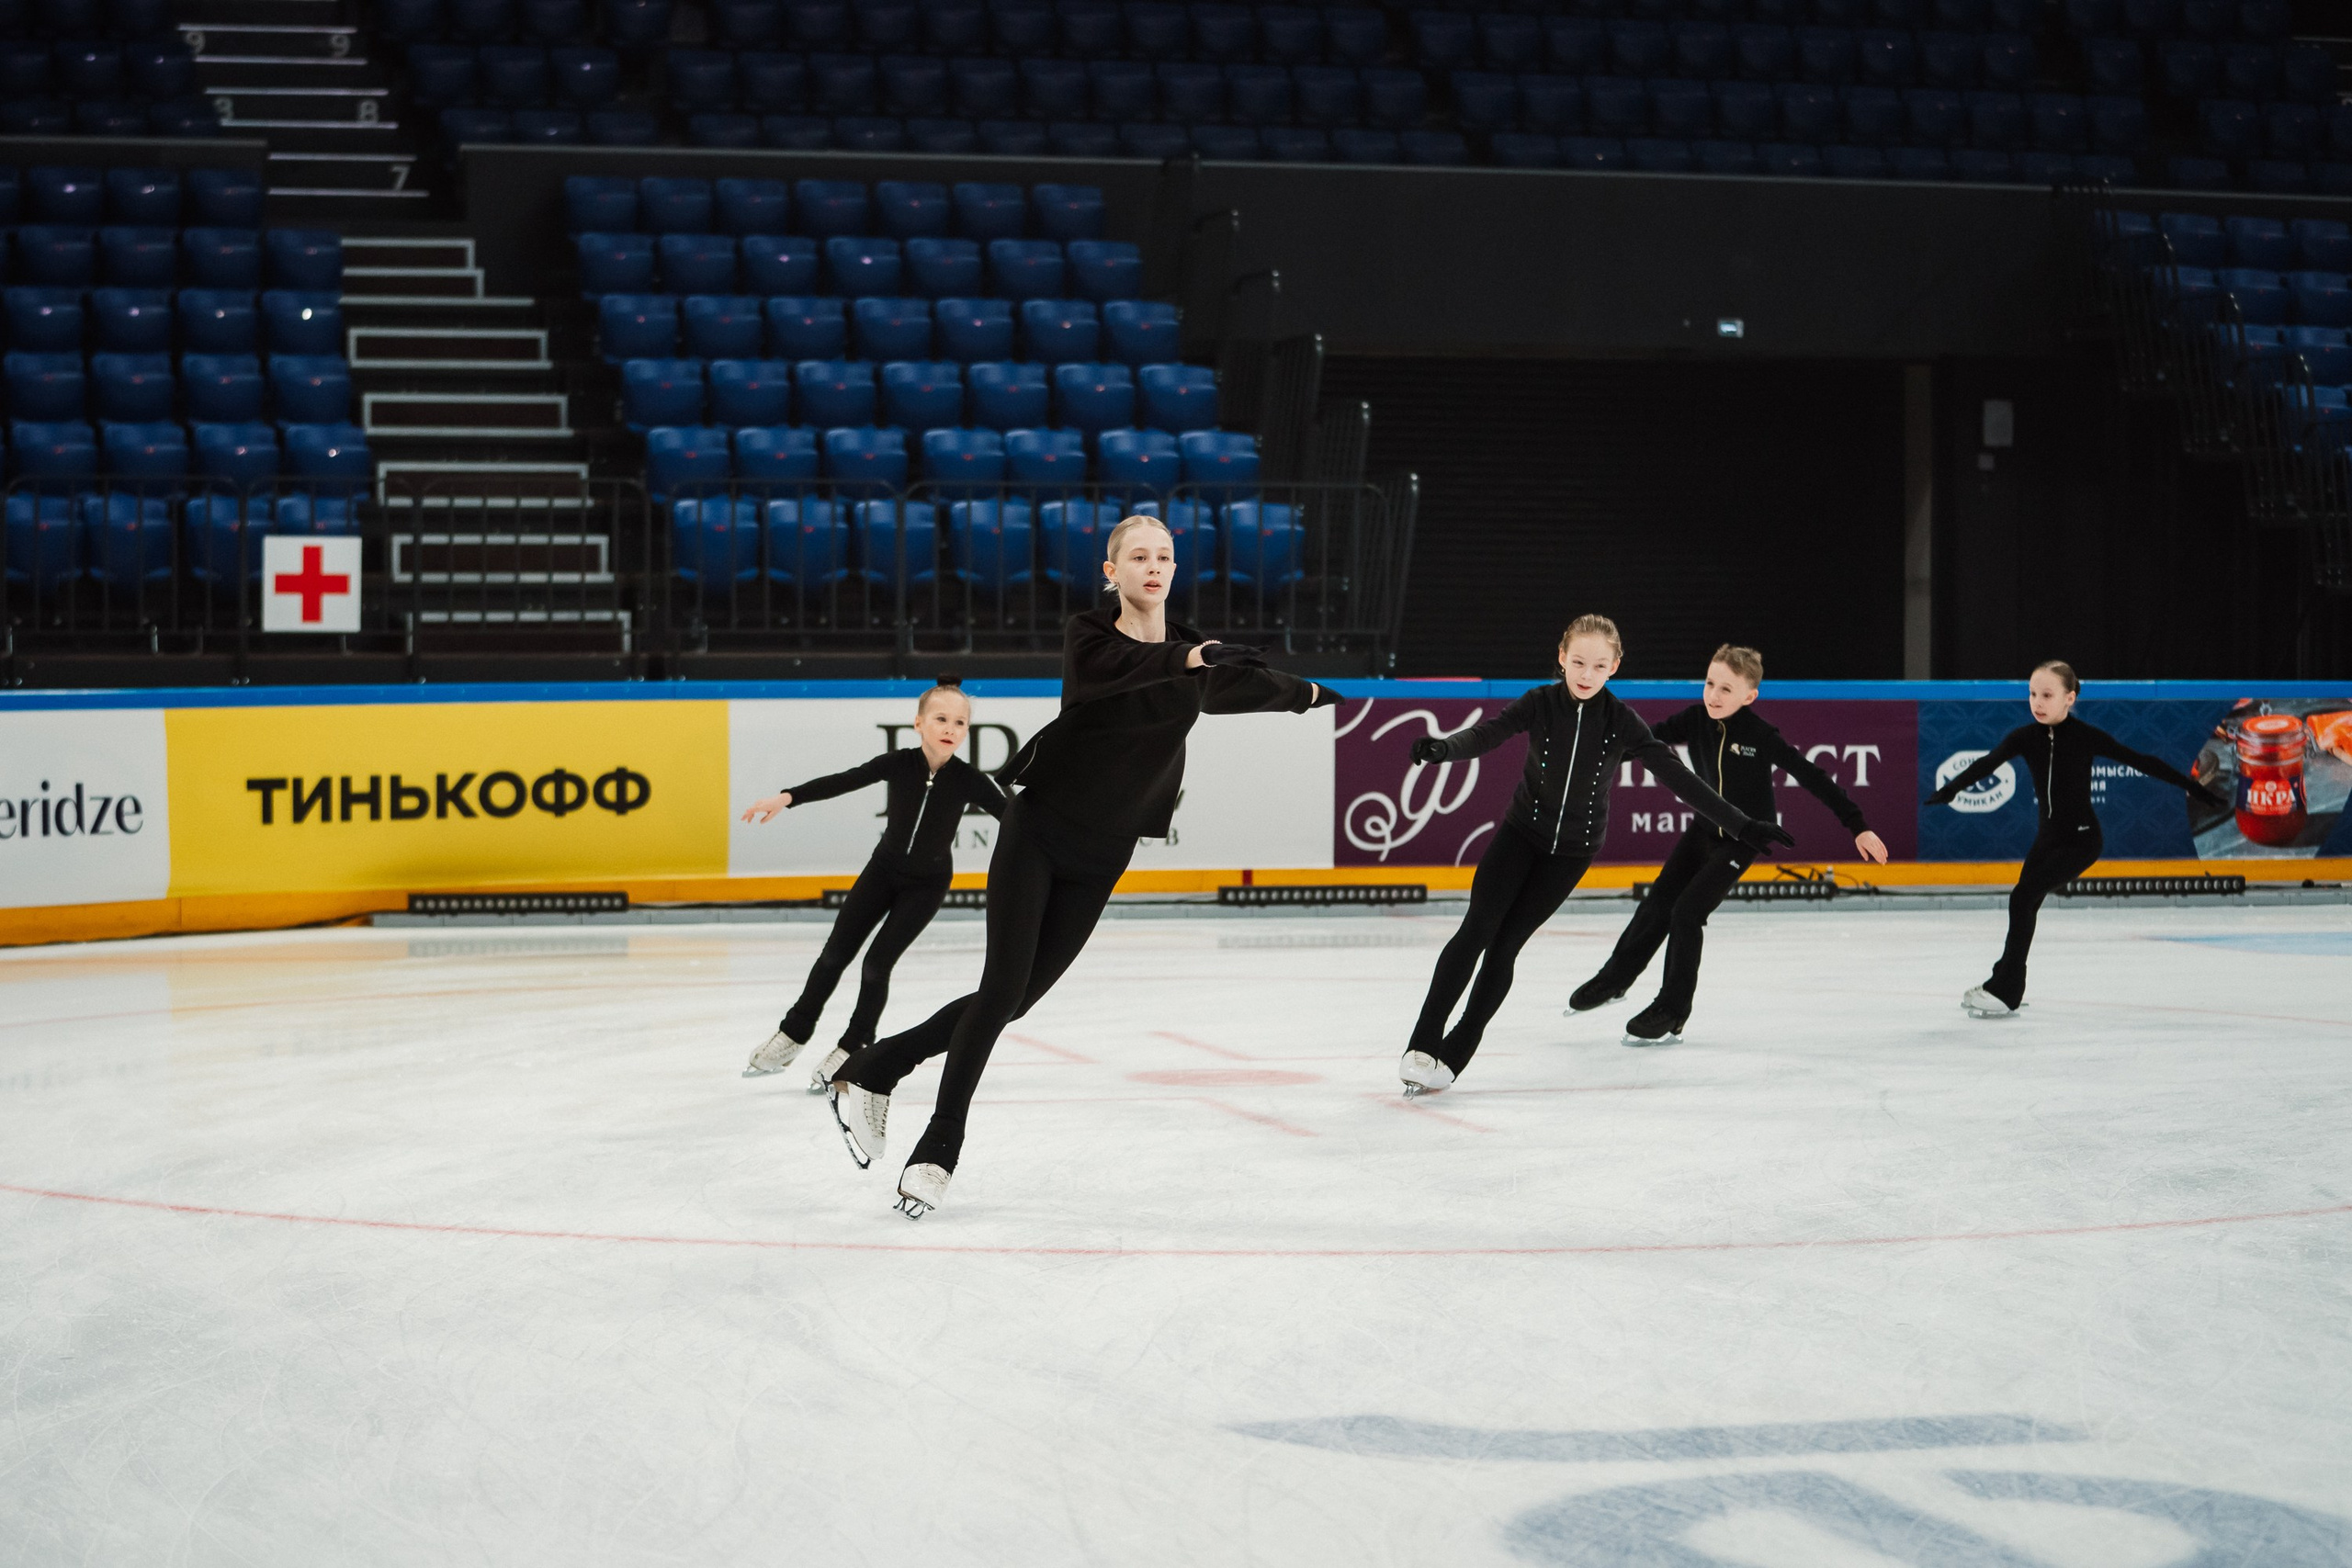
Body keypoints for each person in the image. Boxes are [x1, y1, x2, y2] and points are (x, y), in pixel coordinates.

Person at [827, 515, 1340, 1218]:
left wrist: (1306, 693)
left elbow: (1241, 686)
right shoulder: (1089, 637)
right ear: (1112, 572)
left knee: (1016, 1001)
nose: (1153, 567)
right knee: (1002, 983)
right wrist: (1194, 659)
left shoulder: (1195, 659)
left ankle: (878, 1065)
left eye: (1164, 556)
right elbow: (1122, 673)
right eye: (1138, 556)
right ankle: (938, 1147)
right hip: (1039, 834)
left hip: (1106, 853)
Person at [1396, 616, 1793, 1096]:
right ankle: (1421, 1045)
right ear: (1562, 657)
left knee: (1506, 946)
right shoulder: (1540, 703)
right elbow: (1488, 734)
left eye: (1599, 665)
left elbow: (1679, 777)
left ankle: (1455, 1054)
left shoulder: (1621, 721)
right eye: (1579, 662)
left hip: (1570, 854)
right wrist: (1444, 749)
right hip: (1520, 836)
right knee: (1478, 929)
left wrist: (1743, 823)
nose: (1586, 673)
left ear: (1614, 668)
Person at [1567, 643, 1891, 1044]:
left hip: (1745, 837)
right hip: (1705, 828)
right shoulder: (1695, 718)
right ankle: (1615, 979)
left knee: (1687, 913)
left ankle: (1672, 1010)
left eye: (1725, 689)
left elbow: (1811, 776)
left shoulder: (1759, 734)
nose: (1713, 696)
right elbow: (1647, 743)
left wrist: (1857, 825)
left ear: (1749, 696)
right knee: (1658, 903)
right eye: (1709, 684)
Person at [738, 675, 1007, 1090]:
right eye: (941, 719)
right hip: (882, 872)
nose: (951, 729)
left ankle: (852, 1049)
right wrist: (786, 797)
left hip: (926, 885)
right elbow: (842, 781)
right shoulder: (898, 763)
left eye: (960, 723)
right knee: (833, 955)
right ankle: (793, 1034)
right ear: (918, 723)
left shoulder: (970, 779)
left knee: (876, 964)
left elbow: (1015, 821)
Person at [1925, 660, 2226, 1018]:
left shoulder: (2085, 736)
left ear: (2069, 698)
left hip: (2082, 841)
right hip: (2048, 838)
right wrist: (1951, 790)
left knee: (2022, 898)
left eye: (2047, 695)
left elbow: (2143, 761)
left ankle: (2006, 991)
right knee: (2026, 903)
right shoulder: (2023, 737)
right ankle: (2001, 981)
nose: (2037, 702)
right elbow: (1987, 764)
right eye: (2032, 694)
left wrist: (2196, 790)